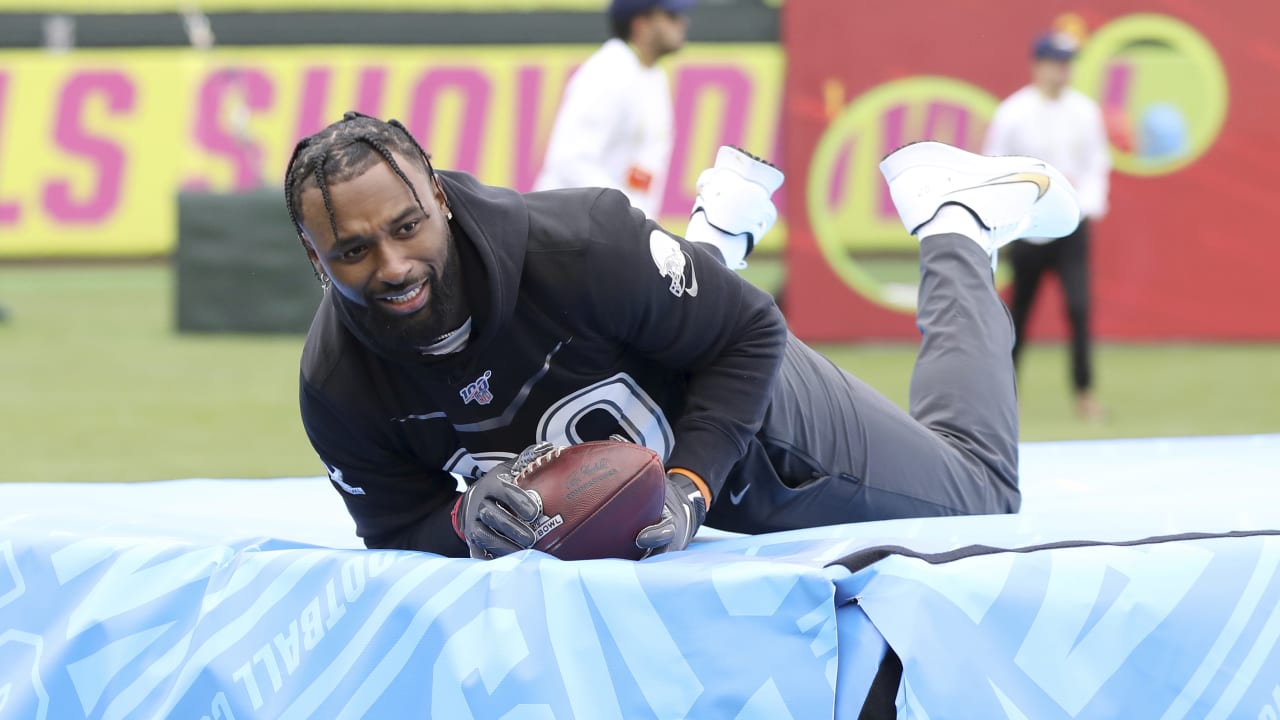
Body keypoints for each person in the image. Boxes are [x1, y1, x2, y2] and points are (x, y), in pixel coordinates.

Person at [282, 112, 1080, 558]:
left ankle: (957, 218)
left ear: (441, 199)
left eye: (408, 226)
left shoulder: (579, 246)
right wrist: (463, 522)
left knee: (981, 496)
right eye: (352, 251)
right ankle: (713, 242)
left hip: (752, 428)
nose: (393, 264)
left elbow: (750, 334)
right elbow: (393, 528)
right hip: (645, 408)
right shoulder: (337, 386)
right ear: (317, 262)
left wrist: (693, 485)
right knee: (661, 311)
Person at [983, 29, 1112, 421]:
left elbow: (1096, 165)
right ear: (1037, 65)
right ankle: (1003, 397)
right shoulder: (1013, 112)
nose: (1063, 71)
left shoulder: (1085, 111)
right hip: (1027, 229)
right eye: (1056, 63)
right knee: (1018, 314)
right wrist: (1010, 216)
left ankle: (1085, 393)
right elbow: (995, 164)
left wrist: (1084, 207)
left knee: (1078, 307)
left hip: (1072, 228)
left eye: (1068, 63)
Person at [533, 0, 693, 220]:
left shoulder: (653, 75)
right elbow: (571, 161)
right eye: (671, 15)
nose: (682, 22)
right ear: (641, 25)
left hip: (606, 230)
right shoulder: (608, 71)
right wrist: (628, 214)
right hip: (564, 230)